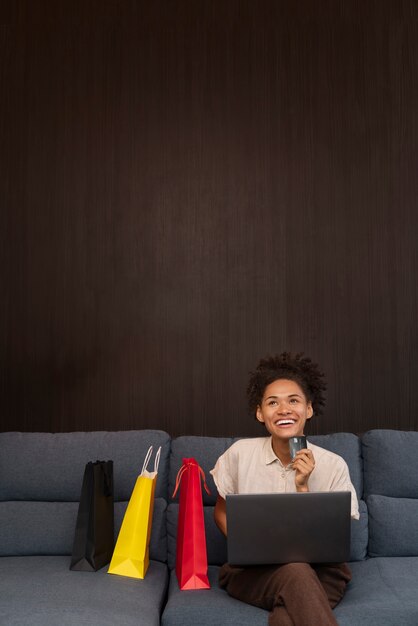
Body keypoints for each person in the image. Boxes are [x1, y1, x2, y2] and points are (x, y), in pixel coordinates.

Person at [210, 352, 359, 626]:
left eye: (293, 401)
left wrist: (302, 487)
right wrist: (248, 544)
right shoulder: (239, 454)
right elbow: (220, 512)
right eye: (272, 402)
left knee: (287, 613)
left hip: (323, 573)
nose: (284, 410)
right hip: (251, 572)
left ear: (309, 409)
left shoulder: (334, 464)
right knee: (295, 574)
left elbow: (333, 537)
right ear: (260, 413)